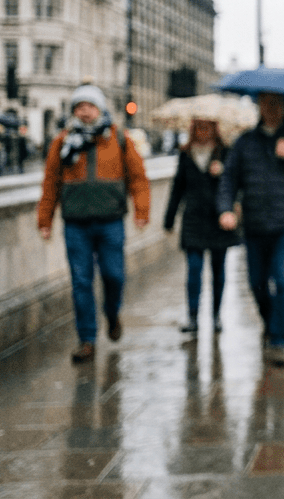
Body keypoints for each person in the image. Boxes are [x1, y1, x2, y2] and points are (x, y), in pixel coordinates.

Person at [36, 84, 151, 363]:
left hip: (110, 221)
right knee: (81, 281)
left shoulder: (118, 139)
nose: (84, 111)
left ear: (100, 109)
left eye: (89, 106)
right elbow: (51, 181)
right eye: (79, 107)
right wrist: (45, 218)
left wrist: (141, 210)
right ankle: (86, 339)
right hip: (76, 223)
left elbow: (137, 177)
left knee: (114, 275)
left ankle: (112, 314)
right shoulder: (63, 142)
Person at [217, 91, 284, 368]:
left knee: (283, 280)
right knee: (256, 282)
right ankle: (269, 322)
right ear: (260, 106)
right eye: (266, 103)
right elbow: (229, 178)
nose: (272, 109)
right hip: (255, 223)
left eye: (277, 103)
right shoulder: (245, 142)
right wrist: (225, 208)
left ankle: (278, 340)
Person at [163, 118, 241, 334]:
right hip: (193, 219)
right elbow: (178, 187)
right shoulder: (186, 154)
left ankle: (216, 316)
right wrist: (169, 219)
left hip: (218, 219)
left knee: (218, 270)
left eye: (207, 128)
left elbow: (237, 181)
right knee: (194, 269)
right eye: (199, 128)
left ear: (215, 129)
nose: (203, 132)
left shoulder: (225, 152)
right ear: (193, 130)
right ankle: (193, 317)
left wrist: (222, 171)